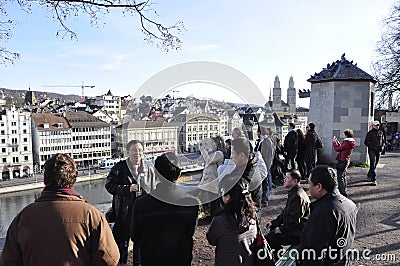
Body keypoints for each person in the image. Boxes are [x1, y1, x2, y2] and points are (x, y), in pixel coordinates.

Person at [0, 153, 120, 266]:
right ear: (73, 180)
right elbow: (110, 258)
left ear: (45, 180)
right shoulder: (91, 214)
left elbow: (8, 261)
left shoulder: (24, 216)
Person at [132, 152, 199, 266]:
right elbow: (190, 231)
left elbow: (135, 236)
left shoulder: (141, 204)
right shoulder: (191, 202)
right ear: (179, 174)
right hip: (180, 259)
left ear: (156, 175)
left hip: (151, 260)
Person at [105, 140, 155, 266]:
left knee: (140, 246)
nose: (137, 153)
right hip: (124, 213)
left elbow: (153, 189)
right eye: (134, 150)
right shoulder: (119, 168)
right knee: (122, 246)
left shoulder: (149, 168)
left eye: (140, 150)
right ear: (128, 152)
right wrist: (127, 189)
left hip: (143, 214)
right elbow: (109, 185)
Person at [298, 166, 358, 265]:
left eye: (309, 183)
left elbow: (314, 253)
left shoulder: (323, 213)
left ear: (319, 187)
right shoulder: (349, 204)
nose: (308, 187)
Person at [206, 178, 258, 266]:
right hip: (248, 262)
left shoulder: (220, 220)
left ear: (228, 197)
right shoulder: (252, 216)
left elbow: (211, 240)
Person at [265, 169, 310, 261]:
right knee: (269, 235)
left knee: (272, 238)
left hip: (299, 232)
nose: (284, 179)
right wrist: (274, 222)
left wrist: (281, 229)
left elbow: (294, 220)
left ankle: (278, 260)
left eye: (287, 178)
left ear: (295, 181)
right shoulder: (293, 192)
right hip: (294, 227)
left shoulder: (298, 196)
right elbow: (286, 213)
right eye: (285, 177)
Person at [198, 137, 225, 216]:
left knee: (213, 200)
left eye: (213, 142)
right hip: (208, 180)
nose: (211, 144)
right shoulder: (213, 152)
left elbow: (209, 161)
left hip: (213, 181)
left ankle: (213, 216)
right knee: (207, 199)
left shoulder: (219, 153)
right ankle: (208, 214)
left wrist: (202, 149)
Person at [255, 125, 275, 206]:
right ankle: (264, 198)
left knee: (265, 184)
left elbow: (266, 156)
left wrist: (265, 167)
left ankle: (265, 200)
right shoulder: (265, 141)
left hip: (264, 166)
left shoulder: (265, 142)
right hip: (264, 165)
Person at [333, 129, 356, 196]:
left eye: (344, 134)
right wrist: (337, 142)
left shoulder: (346, 143)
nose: (343, 136)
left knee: (340, 177)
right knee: (343, 176)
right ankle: (344, 190)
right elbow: (341, 148)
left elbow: (337, 149)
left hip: (342, 161)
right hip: (346, 160)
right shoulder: (350, 142)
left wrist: (334, 142)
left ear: (346, 135)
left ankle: (342, 192)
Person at [364, 121, 385, 186]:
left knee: (375, 164)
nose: (377, 126)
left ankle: (369, 175)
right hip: (372, 150)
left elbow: (383, 141)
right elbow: (366, 142)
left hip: (378, 150)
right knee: (372, 164)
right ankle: (373, 179)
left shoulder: (381, 133)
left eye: (378, 125)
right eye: (376, 125)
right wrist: (371, 146)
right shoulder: (370, 133)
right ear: (373, 126)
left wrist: (382, 148)